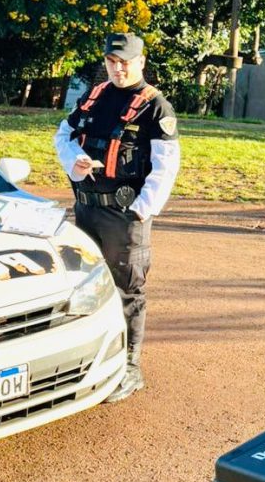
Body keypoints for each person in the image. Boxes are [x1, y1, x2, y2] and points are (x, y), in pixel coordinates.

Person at [54, 32, 180, 402]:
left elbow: (165, 167)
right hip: (87, 208)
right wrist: (73, 163)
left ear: (141, 61)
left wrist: (141, 211)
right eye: (112, 61)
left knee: (127, 291)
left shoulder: (156, 107)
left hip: (124, 216)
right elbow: (64, 134)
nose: (118, 68)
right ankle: (91, 357)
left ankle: (129, 368)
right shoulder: (94, 97)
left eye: (125, 61)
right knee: (87, 285)